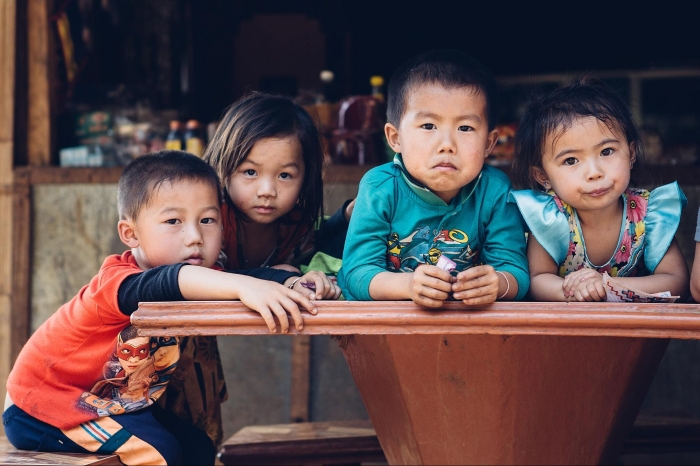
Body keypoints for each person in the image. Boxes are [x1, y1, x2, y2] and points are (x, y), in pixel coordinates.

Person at [3, 151, 318, 465]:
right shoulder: (118, 282)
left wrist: (290, 281)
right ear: (131, 234)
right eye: (173, 221)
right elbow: (170, 280)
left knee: (198, 448)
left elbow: (240, 277)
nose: (195, 237)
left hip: (108, 402)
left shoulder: (200, 277)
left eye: (207, 220)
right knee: (160, 453)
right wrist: (244, 287)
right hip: (44, 406)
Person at [160, 92, 352, 445]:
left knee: (200, 433)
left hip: (202, 347)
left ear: (306, 176)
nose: (267, 190)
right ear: (223, 165)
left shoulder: (295, 219)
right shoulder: (212, 218)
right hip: (160, 342)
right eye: (250, 172)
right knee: (164, 427)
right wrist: (284, 276)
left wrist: (348, 218)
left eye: (285, 175)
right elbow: (212, 279)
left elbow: (314, 242)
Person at [338, 49, 530, 306]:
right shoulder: (380, 188)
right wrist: (407, 285)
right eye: (429, 126)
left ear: (489, 143)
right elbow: (356, 274)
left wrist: (499, 283)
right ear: (395, 138)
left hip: (474, 328)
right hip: (390, 331)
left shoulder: (493, 190)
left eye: (465, 128)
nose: (447, 145)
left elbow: (517, 272)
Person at [509, 80, 689, 302]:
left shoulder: (649, 214)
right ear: (543, 176)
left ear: (631, 153)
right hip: (568, 331)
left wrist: (605, 284)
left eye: (607, 151)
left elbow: (675, 279)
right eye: (571, 160)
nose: (594, 172)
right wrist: (575, 292)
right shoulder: (550, 216)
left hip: (635, 331)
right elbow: (538, 279)